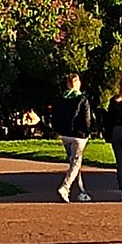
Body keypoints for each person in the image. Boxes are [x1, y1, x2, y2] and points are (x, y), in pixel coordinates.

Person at [51, 73, 93, 203]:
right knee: (75, 163)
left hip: (65, 134)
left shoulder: (61, 99)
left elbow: (55, 117)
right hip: (78, 135)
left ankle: (81, 190)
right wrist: (88, 132)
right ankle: (65, 187)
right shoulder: (82, 99)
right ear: (77, 83)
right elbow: (87, 118)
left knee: (74, 163)